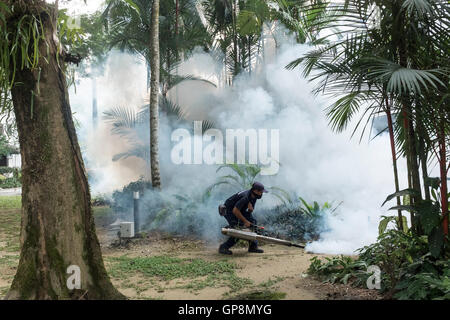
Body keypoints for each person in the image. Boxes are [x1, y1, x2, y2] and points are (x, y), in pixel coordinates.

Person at [218, 181, 268, 255]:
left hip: (240, 210)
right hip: (229, 211)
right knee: (239, 230)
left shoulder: (254, 196)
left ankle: (253, 247)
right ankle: (224, 247)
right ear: (255, 191)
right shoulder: (245, 197)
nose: (262, 194)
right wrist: (245, 221)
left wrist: (250, 210)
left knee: (253, 223)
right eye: (261, 192)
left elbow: (249, 210)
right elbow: (235, 211)